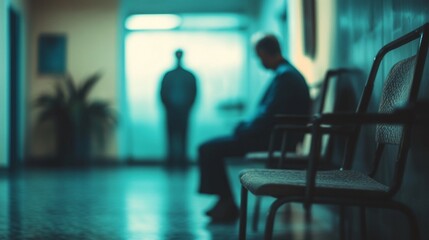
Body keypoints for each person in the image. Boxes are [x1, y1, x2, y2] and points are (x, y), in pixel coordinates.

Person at [197, 34, 311, 222]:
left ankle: (226, 203)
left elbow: (268, 117)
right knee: (211, 146)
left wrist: (243, 129)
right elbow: (269, 114)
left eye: (259, 56)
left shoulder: (285, 77)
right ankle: (224, 202)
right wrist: (245, 126)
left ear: (265, 52)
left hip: (273, 140)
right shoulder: (286, 74)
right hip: (273, 136)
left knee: (208, 149)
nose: (259, 61)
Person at [160, 49, 197, 168]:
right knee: (175, 136)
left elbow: (194, 93)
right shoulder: (187, 75)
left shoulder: (169, 75)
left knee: (180, 136)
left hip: (180, 110)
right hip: (175, 110)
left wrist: (187, 107)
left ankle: (179, 161)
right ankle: (174, 161)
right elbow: (162, 93)